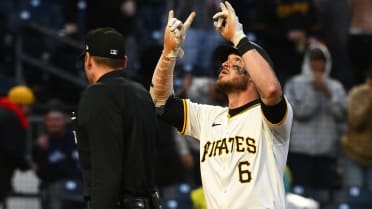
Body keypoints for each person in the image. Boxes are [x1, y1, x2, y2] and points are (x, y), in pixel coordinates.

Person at [150, 1, 294, 208]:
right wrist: (168, 54)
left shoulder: (269, 117)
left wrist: (238, 37)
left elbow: (271, 90)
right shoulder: (208, 117)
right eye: (225, 60)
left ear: (255, 73)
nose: (225, 63)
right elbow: (160, 102)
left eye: (236, 61)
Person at [73, 27, 161, 209]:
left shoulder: (98, 94)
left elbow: (107, 171)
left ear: (88, 60)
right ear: (124, 62)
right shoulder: (142, 92)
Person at [284, 43, 347, 205]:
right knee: (301, 200)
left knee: (326, 200)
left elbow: (342, 116)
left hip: (326, 153)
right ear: (307, 61)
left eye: (321, 60)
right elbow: (298, 114)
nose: (317, 64)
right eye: (314, 60)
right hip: (300, 152)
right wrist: (314, 92)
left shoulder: (336, 87)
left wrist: (327, 93)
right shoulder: (294, 83)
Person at [32, 99, 82, 209]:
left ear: (65, 119)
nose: (54, 123)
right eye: (50, 120)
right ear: (45, 121)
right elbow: (42, 173)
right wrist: (42, 151)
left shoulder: (76, 139)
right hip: (55, 188)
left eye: (57, 119)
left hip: (79, 187)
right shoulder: (42, 144)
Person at [0, 85, 34, 207]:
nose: (29, 110)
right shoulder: (12, 118)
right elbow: (11, 148)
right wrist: (25, 165)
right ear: (22, 104)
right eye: (29, 106)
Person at [341, 66, 372, 191]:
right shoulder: (356, 94)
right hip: (354, 155)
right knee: (353, 198)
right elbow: (354, 122)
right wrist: (369, 105)